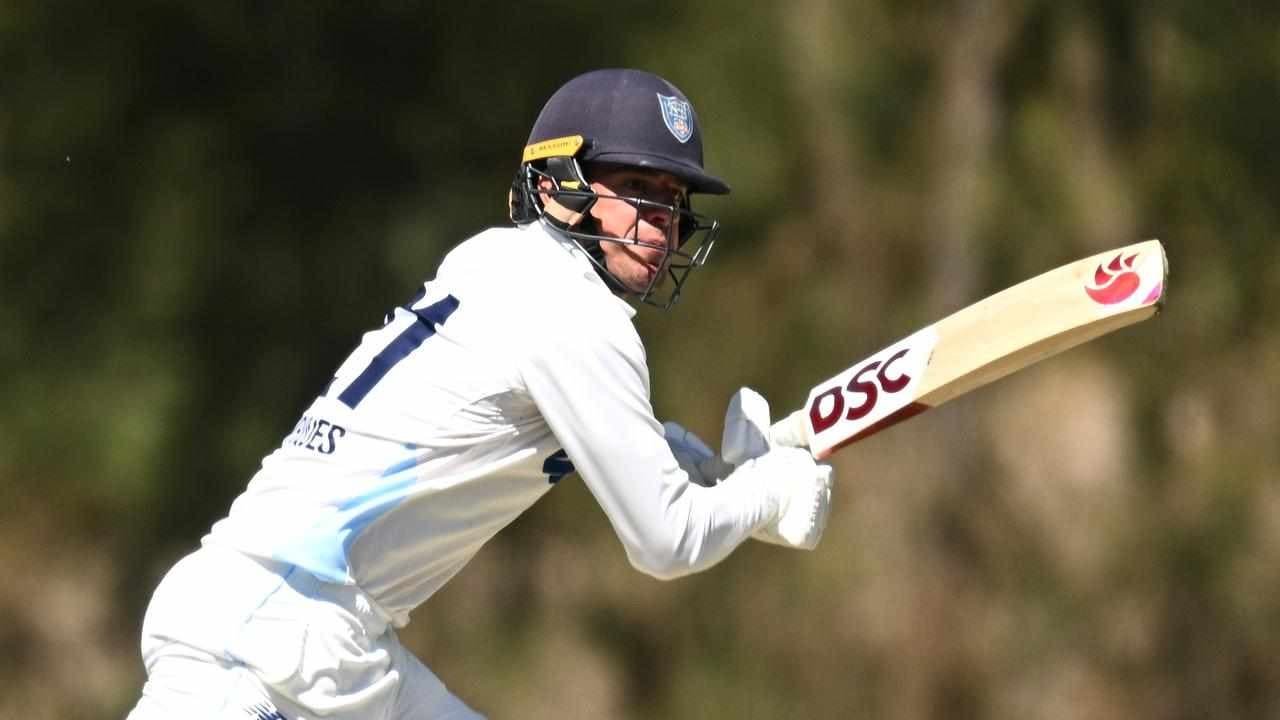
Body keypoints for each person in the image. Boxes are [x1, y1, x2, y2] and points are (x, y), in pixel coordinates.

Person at [128, 68, 834, 720]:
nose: (663, 222)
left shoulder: (498, 261)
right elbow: (668, 540)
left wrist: (704, 476)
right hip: (264, 648)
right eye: (639, 190)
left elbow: (560, 434)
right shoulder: (575, 311)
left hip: (318, 633)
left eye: (675, 202)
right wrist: (765, 493)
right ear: (559, 184)